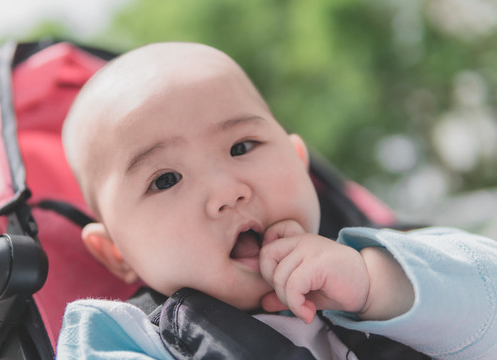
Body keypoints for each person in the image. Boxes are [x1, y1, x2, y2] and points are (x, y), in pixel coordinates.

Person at [58, 42, 497, 359]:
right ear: (117, 252)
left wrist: (377, 283)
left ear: (300, 163)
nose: (228, 192)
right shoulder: (121, 338)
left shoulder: (398, 261)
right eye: (166, 179)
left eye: (242, 147)